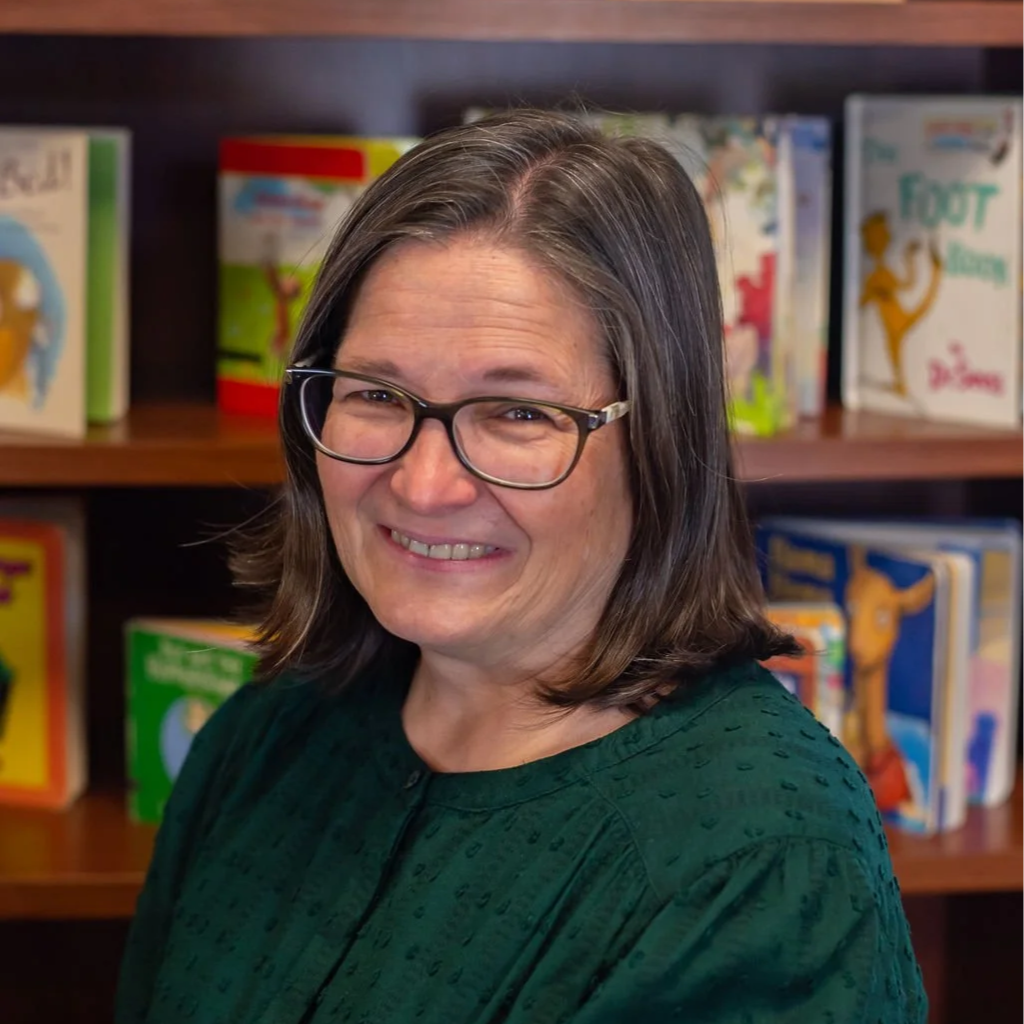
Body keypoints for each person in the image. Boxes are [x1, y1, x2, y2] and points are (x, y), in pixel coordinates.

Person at [115, 108, 927, 1023]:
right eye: (378, 394)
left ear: (658, 438)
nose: (424, 486)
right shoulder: (267, 732)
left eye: (517, 414)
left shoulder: (765, 854)